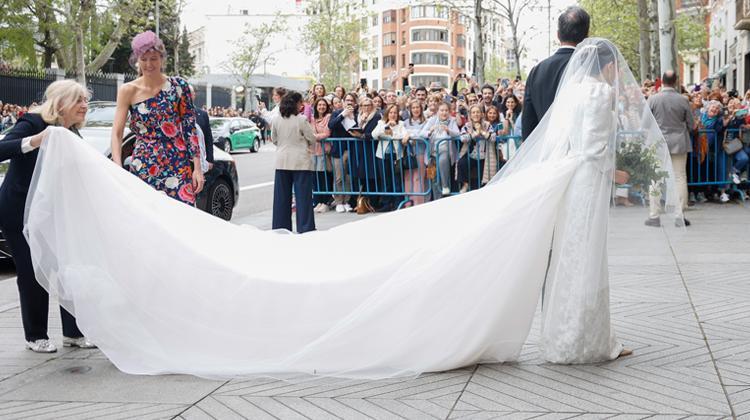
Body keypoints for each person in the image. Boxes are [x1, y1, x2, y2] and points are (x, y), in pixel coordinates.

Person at [25, 38, 680, 379]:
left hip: (571, 178)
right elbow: (593, 152)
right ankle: (578, 338)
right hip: (580, 181)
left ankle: (576, 336)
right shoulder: (590, 97)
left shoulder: (566, 89)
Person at [0, 80, 95, 352]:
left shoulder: (73, 133)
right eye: (79, 100)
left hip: (53, 211)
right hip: (18, 210)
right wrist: (35, 141)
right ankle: (35, 336)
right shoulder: (31, 122)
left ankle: (73, 333)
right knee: (31, 271)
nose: (84, 106)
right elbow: (3, 149)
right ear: (61, 103)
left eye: (85, 101)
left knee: (67, 269)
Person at [111, 31, 204, 205]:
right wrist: (118, 168)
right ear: (137, 60)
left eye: (153, 58)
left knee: (182, 218)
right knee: (146, 220)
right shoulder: (127, 90)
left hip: (177, 162)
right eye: (143, 59)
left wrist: (197, 168)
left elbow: (190, 129)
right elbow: (116, 133)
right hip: (144, 164)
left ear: (162, 58)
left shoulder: (179, 86)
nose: (148, 64)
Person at [522, 6, 590, 140]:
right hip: (578, 151)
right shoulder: (588, 68)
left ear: (558, 35)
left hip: (543, 150)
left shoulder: (536, 71)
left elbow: (528, 124)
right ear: (587, 36)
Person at [646, 70, 694, 227]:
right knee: (680, 177)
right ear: (676, 81)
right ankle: (679, 215)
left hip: (657, 143)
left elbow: (645, 123)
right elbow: (691, 124)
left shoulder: (653, 99)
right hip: (679, 143)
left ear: (663, 81)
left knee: (655, 179)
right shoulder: (683, 100)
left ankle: (654, 215)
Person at [271, 92, 316, 233]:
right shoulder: (301, 120)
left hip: (282, 160)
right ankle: (305, 227)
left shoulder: (276, 119)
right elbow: (312, 138)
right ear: (296, 103)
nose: (301, 105)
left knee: (281, 198)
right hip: (300, 161)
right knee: (303, 197)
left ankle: (280, 227)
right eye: (300, 102)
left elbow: (274, 139)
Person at [372, 104, 407, 211]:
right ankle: (386, 203)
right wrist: (386, 126)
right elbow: (374, 135)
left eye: (395, 113)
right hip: (382, 155)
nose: (393, 115)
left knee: (396, 180)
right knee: (385, 180)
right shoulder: (381, 123)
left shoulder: (401, 124)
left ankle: (398, 203)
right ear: (387, 113)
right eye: (391, 112)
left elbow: (402, 136)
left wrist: (392, 133)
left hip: (397, 156)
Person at [328, 92, 359, 213]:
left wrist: (352, 118)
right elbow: (331, 125)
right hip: (339, 149)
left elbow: (359, 129)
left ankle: (347, 200)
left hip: (351, 148)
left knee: (348, 177)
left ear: (355, 103)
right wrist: (343, 115)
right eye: (347, 100)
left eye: (352, 100)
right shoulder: (336, 113)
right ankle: (339, 201)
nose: (349, 102)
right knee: (339, 177)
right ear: (343, 102)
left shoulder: (357, 115)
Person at [310, 98, 333, 213]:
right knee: (315, 177)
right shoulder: (312, 118)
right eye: (319, 105)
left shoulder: (328, 117)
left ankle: (325, 201)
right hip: (313, 151)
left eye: (324, 105)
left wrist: (314, 137)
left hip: (324, 151)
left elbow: (327, 133)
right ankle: (317, 201)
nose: (321, 107)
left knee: (323, 176)